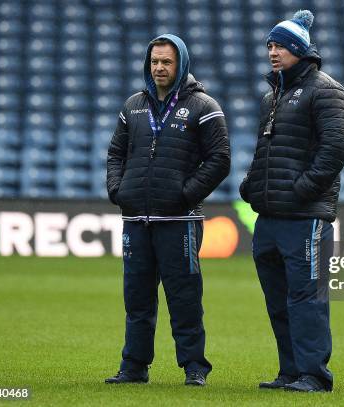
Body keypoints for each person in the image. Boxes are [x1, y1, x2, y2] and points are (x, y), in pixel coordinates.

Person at [105, 34, 230, 386]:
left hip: (180, 221)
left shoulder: (205, 106)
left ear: (181, 65)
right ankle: (133, 367)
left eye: (166, 62)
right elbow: (116, 153)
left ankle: (194, 368)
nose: (159, 67)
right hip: (136, 220)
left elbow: (220, 160)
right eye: (154, 62)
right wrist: (118, 191)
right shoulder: (133, 105)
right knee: (137, 299)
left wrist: (186, 195)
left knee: (184, 298)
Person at [239, 10, 344, 393]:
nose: (273, 52)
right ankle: (290, 371)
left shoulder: (326, 89)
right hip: (269, 217)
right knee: (278, 301)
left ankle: (314, 375)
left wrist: (302, 190)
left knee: (306, 298)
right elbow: (265, 150)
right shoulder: (273, 94)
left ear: (300, 50)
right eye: (270, 45)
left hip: (305, 216)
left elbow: (336, 148)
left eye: (281, 45)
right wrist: (250, 185)